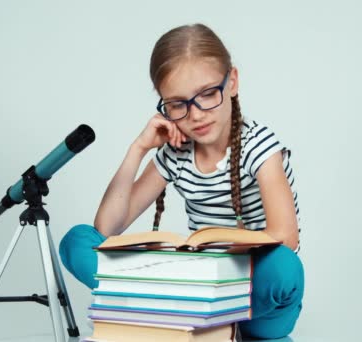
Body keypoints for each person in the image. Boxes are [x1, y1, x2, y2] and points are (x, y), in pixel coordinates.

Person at [59, 23, 304, 339]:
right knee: (77, 240)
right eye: (178, 104)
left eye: (207, 94)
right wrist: (139, 149)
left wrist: (211, 268)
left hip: (250, 290)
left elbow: (286, 237)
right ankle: (186, 312)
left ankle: (175, 312)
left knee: (284, 268)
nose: (196, 114)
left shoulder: (259, 146)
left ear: (232, 82)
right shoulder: (176, 153)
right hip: (197, 285)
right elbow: (106, 227)